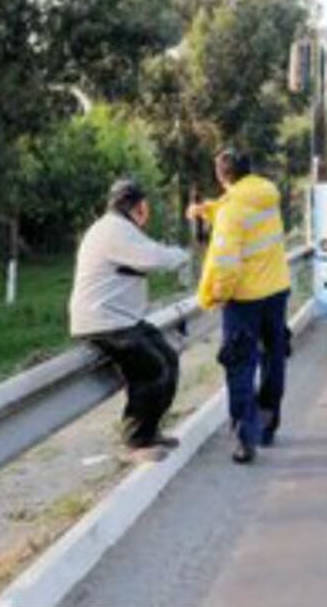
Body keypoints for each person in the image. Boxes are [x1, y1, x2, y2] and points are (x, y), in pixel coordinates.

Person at [69, 178, 189, 459]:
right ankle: (136, 440)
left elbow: (149, 254)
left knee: (168, 357)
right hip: (103, 321)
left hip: (122, 319)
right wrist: (182, 255)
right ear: (139, 206)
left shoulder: (121, 228)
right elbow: (153, 257)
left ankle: (151, 430)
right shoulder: (114, 230)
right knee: (151, 368)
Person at [188, 149, 291, 464]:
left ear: (222, 176)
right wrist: (206, 210)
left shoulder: (231, 211)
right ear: (249, 170)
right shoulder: (266, 194)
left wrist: (217, 296)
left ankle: (246, 437)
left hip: (244, 301)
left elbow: (226, 263)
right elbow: (237, 212)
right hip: (276, 291)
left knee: (240, 364)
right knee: (274, 358)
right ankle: (267, 425)